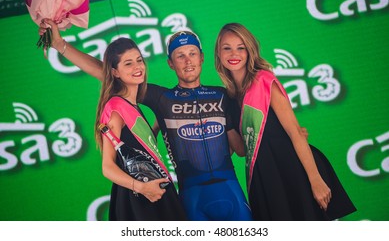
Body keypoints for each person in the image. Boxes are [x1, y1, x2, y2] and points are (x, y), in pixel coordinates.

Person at [39, 20, 251, 221]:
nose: (188, 61)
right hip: (191, 196)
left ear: (202, 57)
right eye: (180, 56)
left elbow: (240, 149)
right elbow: (104, 72)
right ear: (170, 63)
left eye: (192, 54)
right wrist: (60, 44)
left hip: (231, 189)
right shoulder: (163, 99)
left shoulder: (222, 95)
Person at [214, 22, 356, 220]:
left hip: (294, 170)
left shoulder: (264, 81)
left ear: (250, 51)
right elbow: (240, 150)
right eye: (226, 48)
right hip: (265, 177)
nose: (233, 54)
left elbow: (295, 132)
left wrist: (316, 180)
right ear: (218, 54)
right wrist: (222, 120)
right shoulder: (227, 98)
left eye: (241, 47)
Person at [39, 29, 187, 220]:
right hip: (140, 199)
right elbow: (107, 167)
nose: (137, 66)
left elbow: (138, 150)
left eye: (139, 60)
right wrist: (142, 188)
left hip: (155, 193)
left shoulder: (135, 105)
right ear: (115, 72)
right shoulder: (116, 109)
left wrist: (157, 126)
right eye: (128, 63)